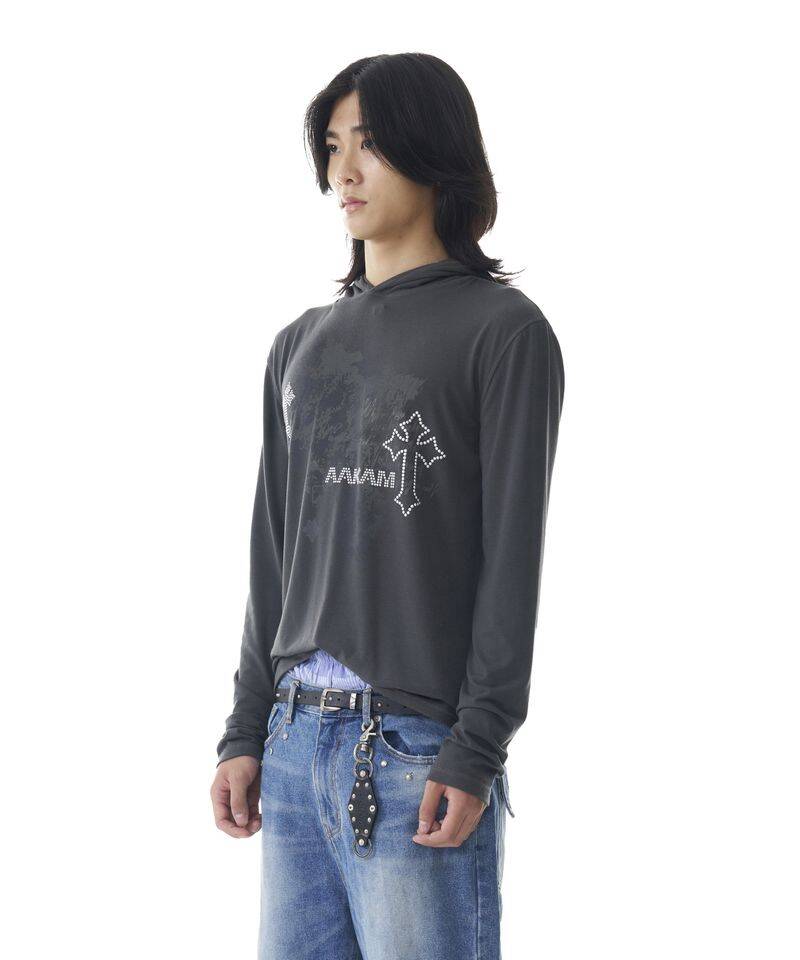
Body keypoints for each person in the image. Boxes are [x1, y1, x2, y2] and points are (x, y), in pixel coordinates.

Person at [210, 52, 565, 960]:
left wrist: (477, 746)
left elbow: (512, 559)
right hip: (291, 741)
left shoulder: (503, 332)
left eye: (368, 144)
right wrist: (245, 728)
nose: (344, 171)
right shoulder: (299, 344)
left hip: (416, 752)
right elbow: (273, 552)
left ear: (434, 152)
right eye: (332, 147)